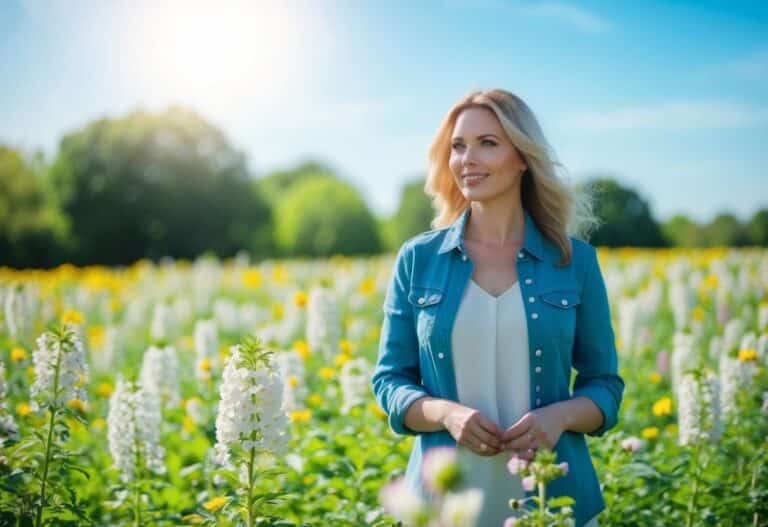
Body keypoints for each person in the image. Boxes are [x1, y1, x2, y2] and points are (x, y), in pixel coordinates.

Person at [371, 88, 625, 527]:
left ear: (522, 157)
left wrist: (560, 416)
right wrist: (445, 414)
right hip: (443, 505)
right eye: (458, 146)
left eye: (488, 143)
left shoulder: (575, 262)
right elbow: (390, 382)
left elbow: (605, 387)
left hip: (554, 502)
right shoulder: (418, 260)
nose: (468, 158)